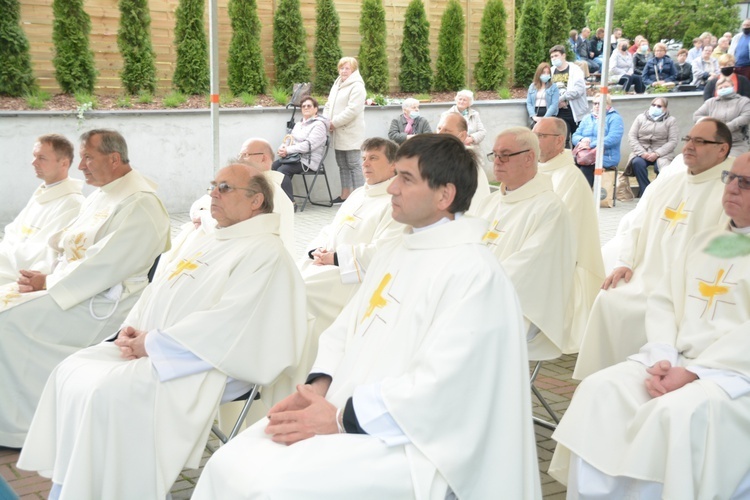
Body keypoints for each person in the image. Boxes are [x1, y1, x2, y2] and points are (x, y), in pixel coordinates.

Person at [192, 134, 542, 500]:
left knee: (274, 486)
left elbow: (446, 387)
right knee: (229, 462)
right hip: (347, 408)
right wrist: (316, 389)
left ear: (444, 195)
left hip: (415, 443)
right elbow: (345, 329)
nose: (391, 187)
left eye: (406, 178)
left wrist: (340, 418)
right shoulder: (398, 248)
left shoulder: (475, 273)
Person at [18, 162, 309, 500]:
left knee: (107, 393)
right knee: (70, 370)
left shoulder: (266, 253)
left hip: (209, 361)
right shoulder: (212, 239)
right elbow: (160, 288)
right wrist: (132, 331)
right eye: (212, 184)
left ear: (256, 201)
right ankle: (76, 487)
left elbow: (232, 323)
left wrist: (153, 343)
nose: (213, 193)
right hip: (157, 345)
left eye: (225, 188)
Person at [549, 154, 750, 499]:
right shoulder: (704, 240)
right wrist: (662, 354)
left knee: (674, 414)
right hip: (676, 359)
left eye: (745, 183)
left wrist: (697, 372)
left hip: (732, 372)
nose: (732, 187)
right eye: (731, 178)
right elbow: (665, 300)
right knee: (599, 391)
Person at [0, 129, 171, 447]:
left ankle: (23, 425)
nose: (81, 167)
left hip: (101, 304)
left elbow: (104, 264)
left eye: (88, 157)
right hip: (74, 287)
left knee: (7, 324)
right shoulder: (105, 193)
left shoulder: (141, 204)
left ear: (114, 159)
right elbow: (66, 241)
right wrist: (46, 271)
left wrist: (49, 281)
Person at [574, 119, 733, 380]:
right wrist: (624, 263)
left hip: (689, 288)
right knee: (609, 300)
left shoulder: (729, 188)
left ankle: (658, 379)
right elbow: (635, 226)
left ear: (722, 149)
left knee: (656, 315)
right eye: (688, 140)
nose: (690, 146)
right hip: (647, 275)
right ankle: (606, 379)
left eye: (700, 141)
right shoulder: (670, 183)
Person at [474, 127, 576, 360]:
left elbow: (527, 269)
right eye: (495, 155)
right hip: (479, 294)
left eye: (505, 155)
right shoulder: (489, 202)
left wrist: (471, 289)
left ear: (530, 157)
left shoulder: (550, 208)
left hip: (520, 308)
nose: (497, 162)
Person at [300, 137, 402, 339]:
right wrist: (317, 251)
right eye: (363, 158)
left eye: (373, 158)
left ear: (393, 165)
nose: (365, 163)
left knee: (300, 293)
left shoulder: (396, 203)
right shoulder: (357, 194)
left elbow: (383, 252)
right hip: (325, 265)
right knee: (289, 280)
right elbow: (330, 230)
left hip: (353, 278)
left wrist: (335, 258)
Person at [533, 117, 604, 353]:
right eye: (534, 134)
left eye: (541, 136)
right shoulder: (535, 170)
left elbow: (562, 228)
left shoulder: (570, 177)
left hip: (565, 261)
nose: (535, 140)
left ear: (559, 141)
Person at [0, 134, 83, 286]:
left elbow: (44, 256)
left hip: (19, 274)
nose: (33, 162)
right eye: (34, 156)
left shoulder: (72, 204)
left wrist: (8, 253)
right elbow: (12, 231)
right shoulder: (42, 193)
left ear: (64, 163)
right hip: (6, 263)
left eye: (41, 158)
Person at [191, 138, 296, 255]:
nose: (240, 159)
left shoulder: (267, 190)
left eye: (245, 155)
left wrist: (203, 216)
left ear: (263, 158)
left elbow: (235, 228)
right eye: (239, 155)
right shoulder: (259, 185)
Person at [323, 56, 366, 203]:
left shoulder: (357, 86)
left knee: (354, 164)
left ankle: (360, 197)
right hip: (337, 131)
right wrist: (325, 121)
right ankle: (345, 195)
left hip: (350, 132)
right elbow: (328, 104)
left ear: (353, 70)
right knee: (342, 164)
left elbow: (352, 110)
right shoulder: (337, 84)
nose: (343, 71)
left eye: (347, 68)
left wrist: (333, 123)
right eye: (341, 68)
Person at [272, 96, 328, 206]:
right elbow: (289, 138)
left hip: (307, 161)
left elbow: (308, 146)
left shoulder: (319, 125)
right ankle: (277, 200)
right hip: (294, 157)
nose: (306, 108)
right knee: (273, 167)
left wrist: (288, 150)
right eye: (303, 106)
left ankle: (290, 204)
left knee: (283, 171)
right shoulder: (298, 124)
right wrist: (282, 148)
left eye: (309, 106)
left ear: (315, 109)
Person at [626, 97, 680, 196]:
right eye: (653, 105)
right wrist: (642, 153)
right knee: (637, 163)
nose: (655, 107)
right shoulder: (640, 118)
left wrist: (657, 153)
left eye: (659, 106)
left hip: (662, 153)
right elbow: (632, 136)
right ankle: (645, 191)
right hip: (643, 151)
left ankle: (658, 192)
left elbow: (673, 141)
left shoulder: (671, 121)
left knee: (661, 167)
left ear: (665, 108)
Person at [437, 112, 491, 211]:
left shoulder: (469, 166)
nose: (439, 134)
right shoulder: (434, 160)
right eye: (439, 129)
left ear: (462, 136)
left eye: (446, 130)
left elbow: (476, 208)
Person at [571, 93, 625, 187]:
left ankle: (585, 196)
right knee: (569, 166)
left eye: (599, 103)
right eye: (595, 103)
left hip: (606, 155)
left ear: (608, 104)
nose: (596, 106)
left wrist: (591, 144)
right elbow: (575, 135)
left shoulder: (615, 118)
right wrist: (582, 140)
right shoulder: (587, 118)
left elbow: (613, 138)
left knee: (585, 168)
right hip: (584, 154)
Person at [694, 76, 750, 157]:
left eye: (726, 87)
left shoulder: (743, 101)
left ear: (733, 87)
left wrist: (725, 127)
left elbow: (746, 116)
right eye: (720, 87)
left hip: (736, 143)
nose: (723, 89)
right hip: (714, 143)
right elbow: (696, 116)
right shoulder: (710, 102)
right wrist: (711, 123)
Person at [550, 44, 588, 144]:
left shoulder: (575, 70)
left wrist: (562, 99)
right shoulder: (551, 71)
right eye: (552, 57)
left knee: (577, 142)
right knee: (563, 141)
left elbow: (579, 90)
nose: (554, 58)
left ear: (563, 55)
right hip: (559, 113)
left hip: (575, 112)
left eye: (556, 56)